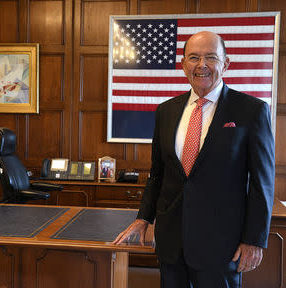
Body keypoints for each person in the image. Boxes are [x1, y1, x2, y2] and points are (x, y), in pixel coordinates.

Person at [113, 31, 275, 288]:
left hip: (222, 245)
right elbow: (158, 173)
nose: (202, 65)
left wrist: (254, 239)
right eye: (194, 58)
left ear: (226, 63)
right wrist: (143, 218)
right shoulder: (166, 111)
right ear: (183, 65)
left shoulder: (251, 111)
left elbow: (261, 182)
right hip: (171, 242)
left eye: (211, 57)